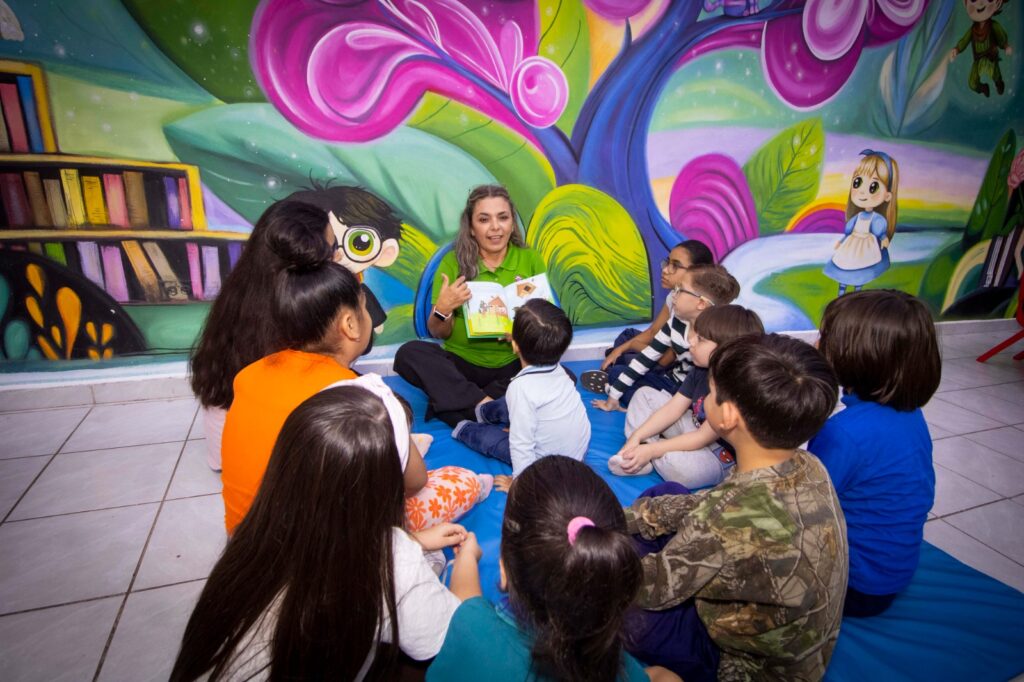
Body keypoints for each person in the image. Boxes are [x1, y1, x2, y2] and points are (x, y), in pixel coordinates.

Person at [170, 387, 483, 681]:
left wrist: (415, 541)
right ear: (386, 484)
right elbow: (463, 637)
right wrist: (466, 560)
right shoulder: (392, 559)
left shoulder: (255, 533)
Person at [220, 219, 489, 534]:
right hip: (320, 556)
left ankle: (403, 446)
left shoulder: (250, 374)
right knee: (462, 480)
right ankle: (463, 495)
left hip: (244, 544)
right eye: (364, 308)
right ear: (349, 325)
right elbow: (416, 484)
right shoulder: (366, 397)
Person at [624, 334, 846, 681]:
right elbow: (707, 505)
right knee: (665, 495)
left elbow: (651, 591)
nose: (705, 397)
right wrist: (626, 521)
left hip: (740, 666)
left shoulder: (722, 517)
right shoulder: (809, 464)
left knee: (616, 607)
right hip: (803, 652)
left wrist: (596, 558)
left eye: (710, 392)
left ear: (726, 415)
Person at [427, 456, 680, 682]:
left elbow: (465, 598)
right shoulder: (617, 667)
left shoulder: (472, 628)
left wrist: (467, 555)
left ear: (504, 570)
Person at [189, 199, 386, 471]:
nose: (339, 257)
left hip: (228, 453)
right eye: (333, 249)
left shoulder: (240, 293)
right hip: (274, 468)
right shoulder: (297, 315)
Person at [809, 290, 941, 617]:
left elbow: (801, 503)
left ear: (859, 354)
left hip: (855, 587)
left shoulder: (844, 433)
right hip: (891, 576)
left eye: (825, 337)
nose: (815, 343)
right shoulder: (911, 415)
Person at [394, 185, 548, 427]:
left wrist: (526, 332)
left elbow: (546, 327)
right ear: (472, 228)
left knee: (560, 375)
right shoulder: (452, 262)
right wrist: (443, 309)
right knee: (409, 354)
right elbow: (437, 332)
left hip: (512, 363)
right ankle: (486, 405)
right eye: (484, 219)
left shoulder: (531, 259)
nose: (495, 227)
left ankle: (458, 406)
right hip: (461, 363)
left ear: (512, 223)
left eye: (503, 217)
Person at [609, 305, 764, 489]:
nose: (691, 341)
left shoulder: (734, 386)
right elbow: (674, 408)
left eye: (700, 339)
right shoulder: (700, 369)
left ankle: (647, 453)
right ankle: (640, 454)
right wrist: (637, 436)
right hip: (693, 426)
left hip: (717, 453)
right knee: (644, 395)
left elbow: (702, 437)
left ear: (726, 349)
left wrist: (652, 450)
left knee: (679, 469)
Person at [452, 299, 590, 489]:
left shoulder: (520, 388)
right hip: (576, 456)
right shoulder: (561, 373)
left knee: (487, 439)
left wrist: (518, 482)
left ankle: (463, 427)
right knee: (508, 406)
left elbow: (521, 445)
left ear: (515, 345)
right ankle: (483, 413)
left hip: (544, 467)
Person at [592, 264, 740, 413]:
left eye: (680, 290)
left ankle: (656, 409)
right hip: (670, 383)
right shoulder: (675, 323)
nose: (673, 295)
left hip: (695, 397)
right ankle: (653, 407)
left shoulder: (719, 336)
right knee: (617, 373)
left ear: (701, 303)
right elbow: (645, 360)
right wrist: (613, 398)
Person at [582, 240, 714, 406]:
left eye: (675, 265)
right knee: (627, 337)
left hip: (672, 374)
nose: (665, 270)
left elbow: (664, 360)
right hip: (665, 361)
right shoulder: (675, 305)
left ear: (697, 273)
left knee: (621, 368)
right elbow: (653, 332)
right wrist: (622, 348)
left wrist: (632, 348)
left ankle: (619, 384)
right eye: (668, 263)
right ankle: (620, 375)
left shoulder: (705, 323)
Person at [823, 149, 900, 297]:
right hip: (852, 245)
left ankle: (856, 293)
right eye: (857, 183)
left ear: (888, 195)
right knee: (844, 264)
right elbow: (849, 230)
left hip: (866, 246)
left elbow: (880, 231)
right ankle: (842, 291)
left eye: (873, 187)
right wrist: (842, 241)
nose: (862, 192)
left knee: (860, 269)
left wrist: (884, 238)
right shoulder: (856, 217)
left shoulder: (876, 219)